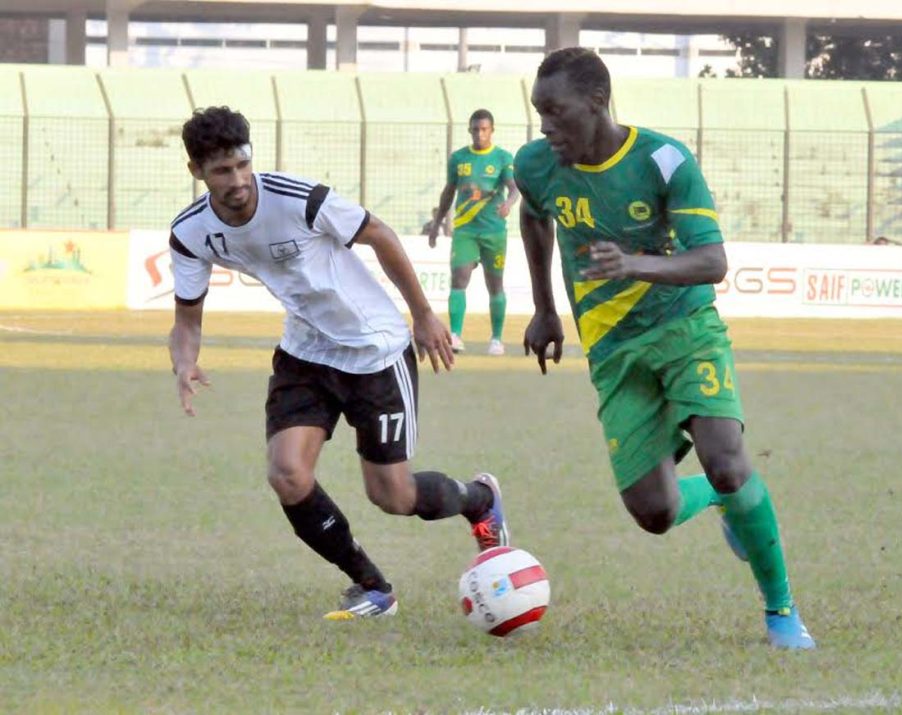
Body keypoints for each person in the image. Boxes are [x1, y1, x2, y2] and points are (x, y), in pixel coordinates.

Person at [514, 48, 815, 649]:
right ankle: (723, 502)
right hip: (613, 351)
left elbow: (713, 261)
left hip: (684, 329)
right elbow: (533, 216)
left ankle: (781, 610)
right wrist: (546, 307)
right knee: (654, 513)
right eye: (538, 112)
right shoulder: (537, 164)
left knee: (727, 461)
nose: (546, 126)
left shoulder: (663, 159)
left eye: (556, 111)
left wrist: (633, 264)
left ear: (597, 102)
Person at [168, 106, 509, 620]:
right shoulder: (191, 233)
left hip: (375, 351)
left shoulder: (296, 198)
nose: (237, 180)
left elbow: (382, 235)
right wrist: (184, 361)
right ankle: (372, 586)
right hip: (305, 353)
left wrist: (421, 314)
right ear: (197, 172)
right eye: (221, 171)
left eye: (242, 164)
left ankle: (479, 499)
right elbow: (187, 319)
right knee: (287, 474)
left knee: (392, 495)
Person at [429, 109, 519, 356]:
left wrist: (509, 204)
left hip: (493, 231)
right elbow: (448, 191)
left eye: (484, 129)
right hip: (466, 230)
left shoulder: (502, 158)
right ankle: (455, 335)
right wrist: (437, 224)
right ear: (470, 131)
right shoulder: (459, 159)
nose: (480, 134)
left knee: (495, 285)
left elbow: (513, 188)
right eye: (475, 129)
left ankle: (496, 339)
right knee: (459, 279)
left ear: (492, 130)